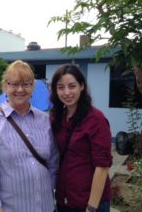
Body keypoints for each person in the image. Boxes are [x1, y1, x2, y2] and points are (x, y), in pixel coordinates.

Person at [0, 60, 59, 212]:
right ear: (5, 86)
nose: (20, 89)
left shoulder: (45, 120)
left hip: (45, 207)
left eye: (26, 84)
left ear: (32, 87)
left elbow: (53, 162)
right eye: (14, 84)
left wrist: (46, 189)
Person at [50, 64, 113, 212]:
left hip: (89, 202)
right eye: (61, 87)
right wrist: (9, 107)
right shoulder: (57, 118)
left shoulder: (95, 119)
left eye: (72, 86)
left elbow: (102, 166)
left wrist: (91, 207)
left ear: (82, 86)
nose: (67, 92)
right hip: (64, 200)